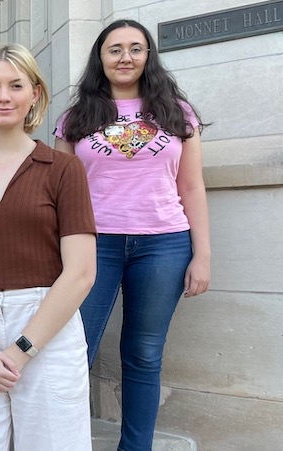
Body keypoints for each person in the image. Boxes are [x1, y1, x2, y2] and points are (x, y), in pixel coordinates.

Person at [54, 19, 211, 451]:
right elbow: (58, 194)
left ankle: (135, 447)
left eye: (136, 49)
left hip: (164, 244)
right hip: (93, 244)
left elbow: (192, 186)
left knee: (143, 355)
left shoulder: (178, 113)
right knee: (72, 350)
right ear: (100, 58)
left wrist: (203, 256)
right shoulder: (75, 118)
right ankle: (62, 440)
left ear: (148, 57)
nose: (125, 57)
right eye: (115, 49)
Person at [0, 43, 96, 450]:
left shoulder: (64, 169)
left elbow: (80, 272)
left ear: (35, 94)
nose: (3, 96)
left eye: (15, 85)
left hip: (47, 325)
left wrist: (23, 349)